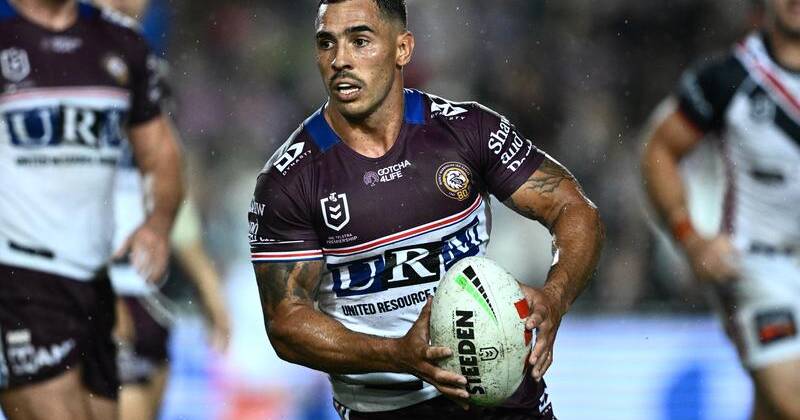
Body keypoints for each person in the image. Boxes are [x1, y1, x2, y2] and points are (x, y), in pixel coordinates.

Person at [247, 0, 603, 418]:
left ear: (403, 49)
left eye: (360, 41)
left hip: (501, 387)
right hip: (387, 408)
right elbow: (286, 324)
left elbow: (575, 209)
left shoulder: (466, 131)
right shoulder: (289, 180)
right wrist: (395, 354)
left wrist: (555, 298)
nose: (340, 59)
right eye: (327, 43)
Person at [0, 0, 183, 418]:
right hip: (17, 278)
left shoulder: (121, 43)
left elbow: (161, 154)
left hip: (95, 283)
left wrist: (157, 224)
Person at [641, 1, 800, 418]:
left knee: (771, 409)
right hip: (756, 266)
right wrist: (691, 240)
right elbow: (660, 151)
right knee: (792, 398)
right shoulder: (728, 77)